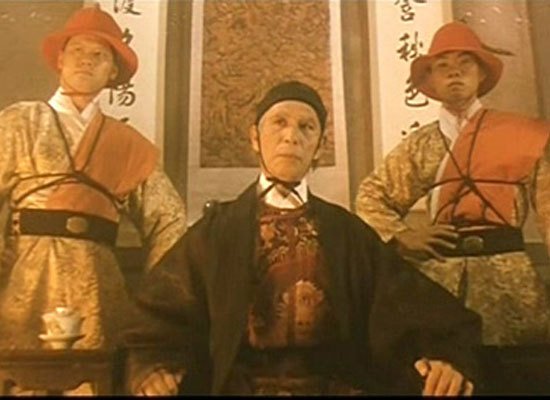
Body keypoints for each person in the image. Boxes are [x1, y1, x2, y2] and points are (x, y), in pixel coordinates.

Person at [126, 81, 481, 396]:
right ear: (255, 138)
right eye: (278, 123)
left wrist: (444, 358)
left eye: (306, 127)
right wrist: (152, 367)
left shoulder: (346, 232)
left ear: (319, 146)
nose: (291, 136)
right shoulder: (217, 231)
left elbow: (414, 306)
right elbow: (161, 315)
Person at [0, 3, 186, 356]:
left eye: (99, 55)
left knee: (95, 376)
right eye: (77, 51)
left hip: (98, 286)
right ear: (60, 60)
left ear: (113, 70)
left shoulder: (129, 144)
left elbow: (170, 219)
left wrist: (154, 298)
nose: (86, 61)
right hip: (26, 277)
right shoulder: (18, 122)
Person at [355, 21, 550, 347]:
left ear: (482, 73)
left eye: (465, 63)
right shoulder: (420, 145)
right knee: (447, 365)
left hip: (512, 281)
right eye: (442, 66)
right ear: (431, 79)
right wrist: (402, 235)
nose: (454, 73)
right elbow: (370, 196)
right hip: (441, 281)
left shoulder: (521, 135)